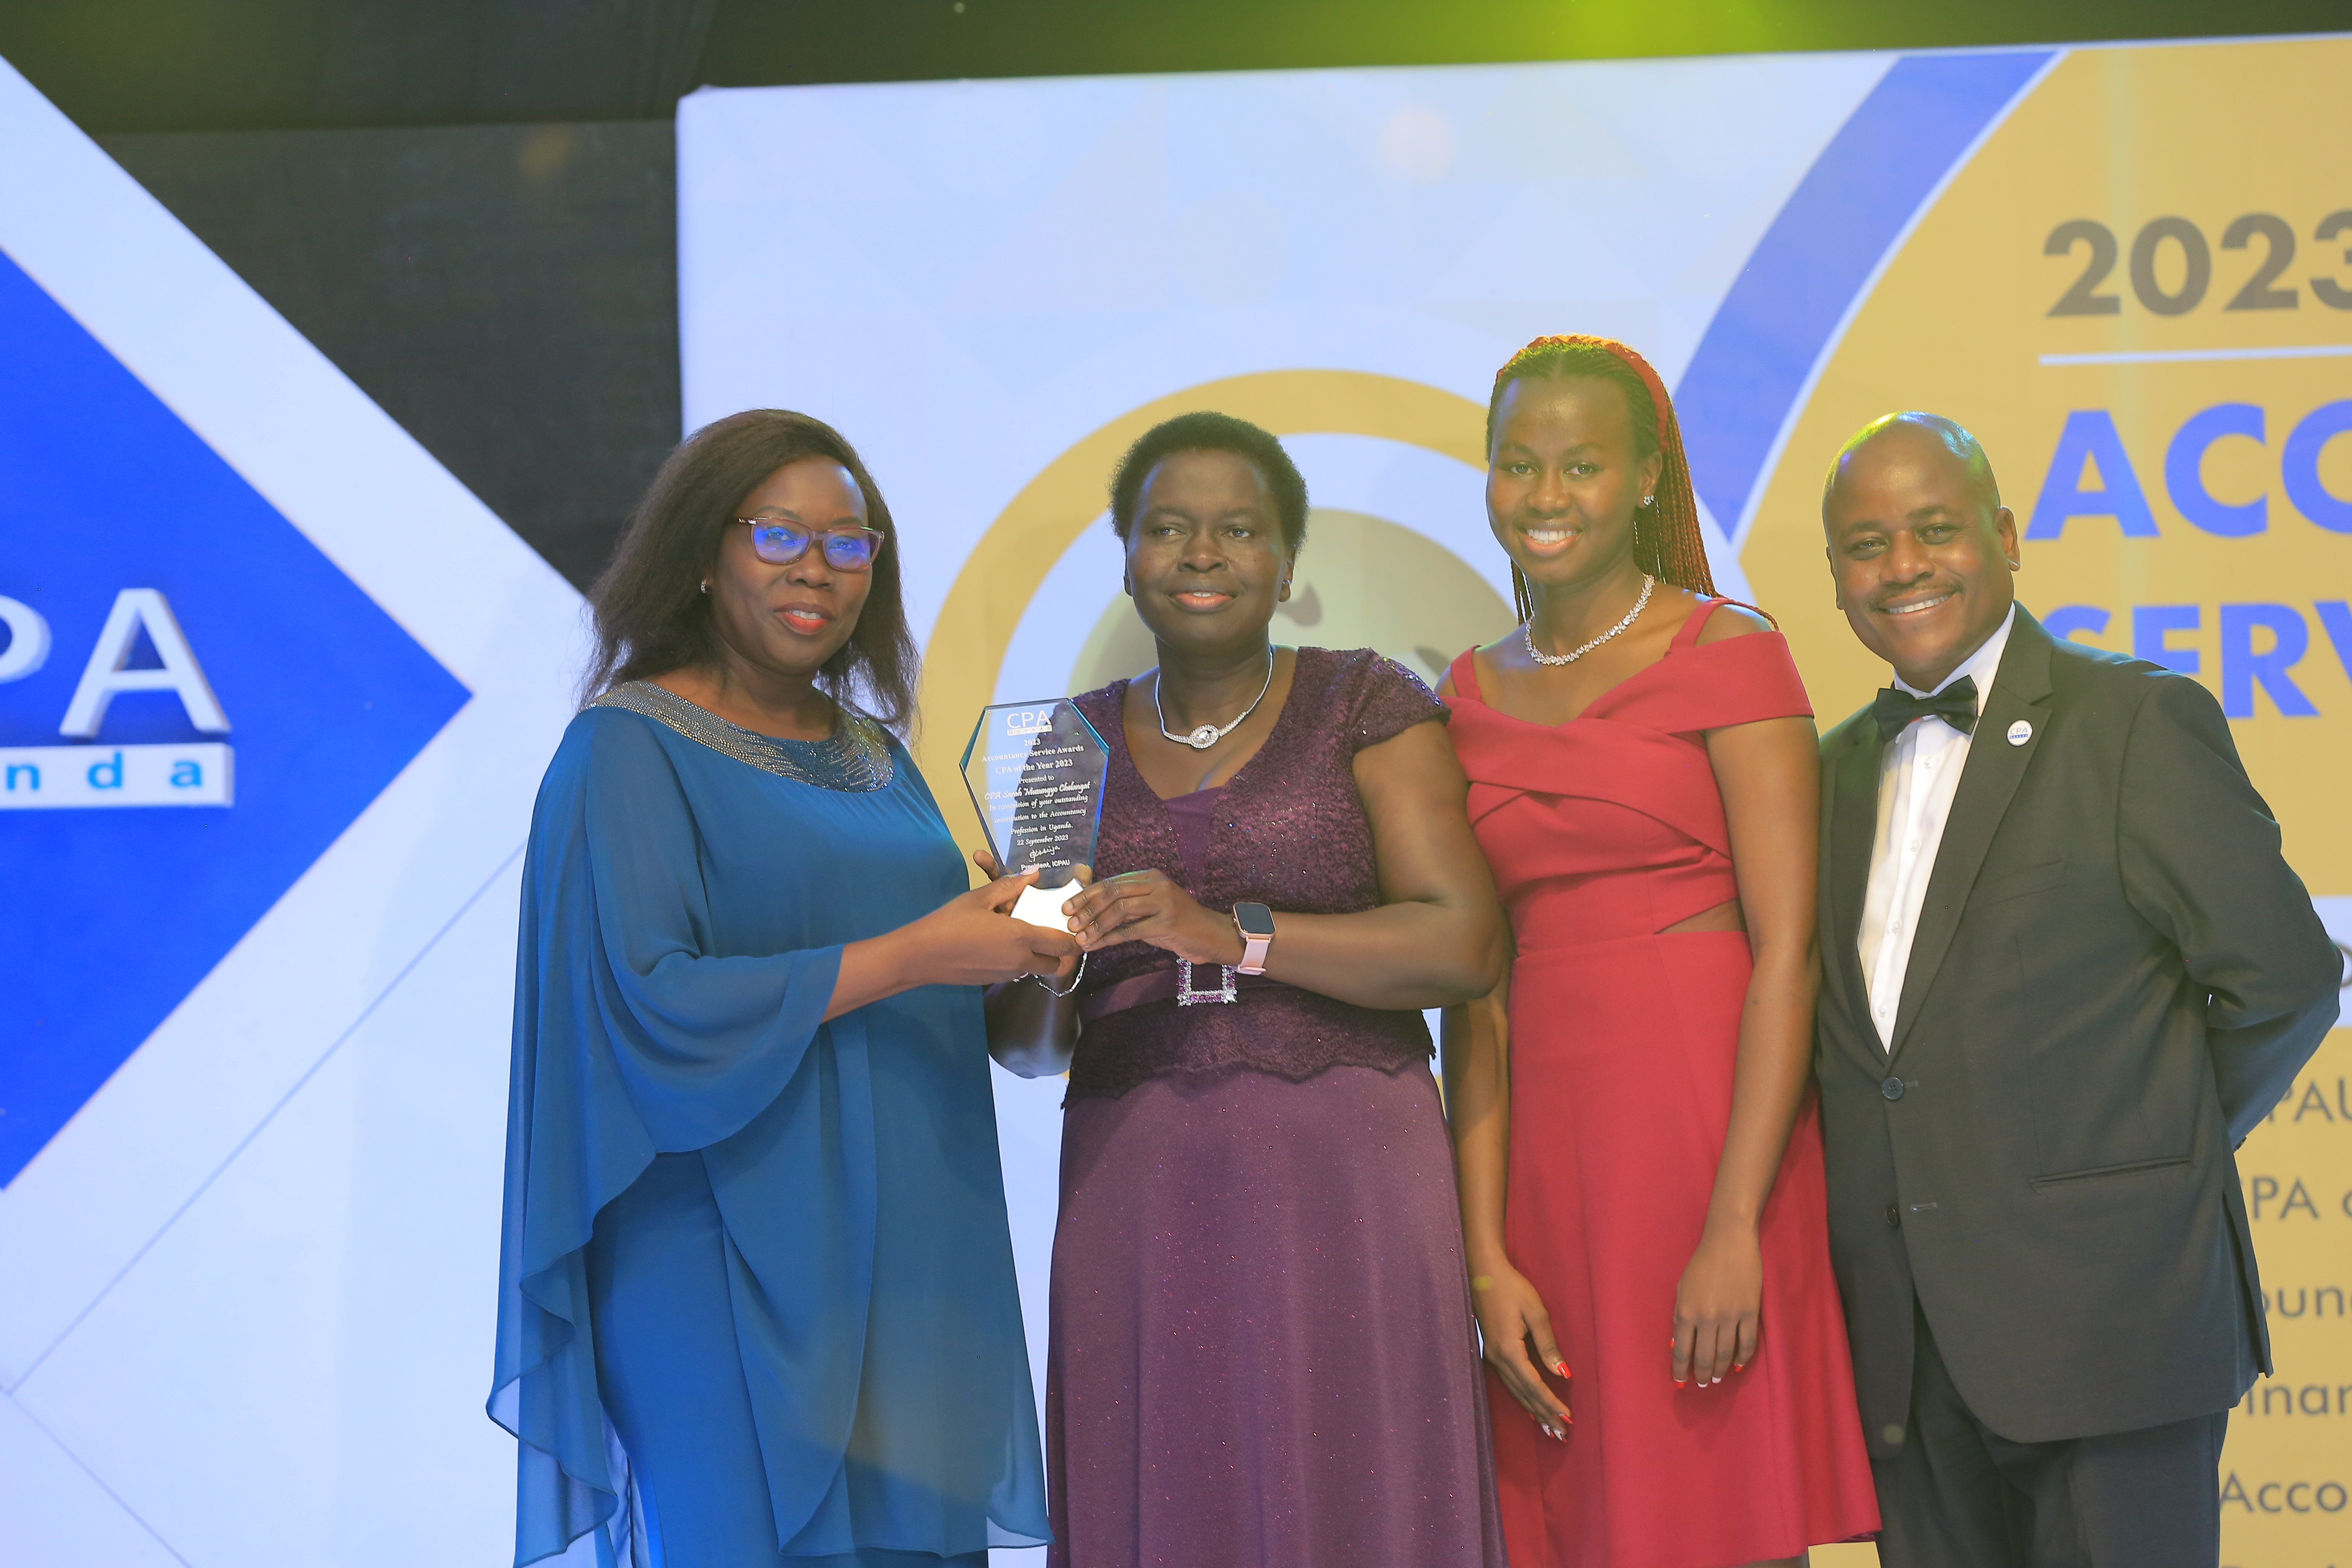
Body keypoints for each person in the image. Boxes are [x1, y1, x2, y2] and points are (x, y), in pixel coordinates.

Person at [489, 410, 1075, 1568]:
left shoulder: (881, 757)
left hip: (918, 1255)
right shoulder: (626, 750)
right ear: (704, 555)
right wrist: (923, 951)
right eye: (779, 535)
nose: (818, 567)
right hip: (716, 1252)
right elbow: (652, 1004)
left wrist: (1047, 944)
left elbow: (1002, 1033)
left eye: (850, 544)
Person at [1813, 412, 2340, 1567]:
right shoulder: (1825, 771)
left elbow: (2288, 980)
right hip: (1907, 1347)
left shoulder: (2134, 721)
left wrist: (2156, 1141)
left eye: (1935, 529)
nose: (1901, 565)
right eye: (1866, 544)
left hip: (2113, 1326)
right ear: (1836, 579)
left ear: (2004, 536)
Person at [985, 410, 1511, 1567]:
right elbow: (1026, 1047)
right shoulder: (1064, 746)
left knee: (1359, 1494)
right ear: (1127, 559)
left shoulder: (1365, 700)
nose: (1203, 553)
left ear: (1286, 562)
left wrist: (1232, 934)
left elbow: (1464, 945)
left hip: (1349, 1181)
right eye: (1169, 528)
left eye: (1238, 529)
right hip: (1142, 1190)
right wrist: (1038, 960)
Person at [1441, 335, 1881, 1567]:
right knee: (1572, 1518)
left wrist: (1738, 1222)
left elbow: (1789, 953)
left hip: (1706, 1142)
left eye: (1580, 465)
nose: (1544, 496)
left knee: (1716, 1508)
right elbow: (1470, 994)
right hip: (1540, 1152)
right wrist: (1483, 1259)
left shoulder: (1731, 653)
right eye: (1518, 464)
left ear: (1646, 478)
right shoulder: (1462, 690)